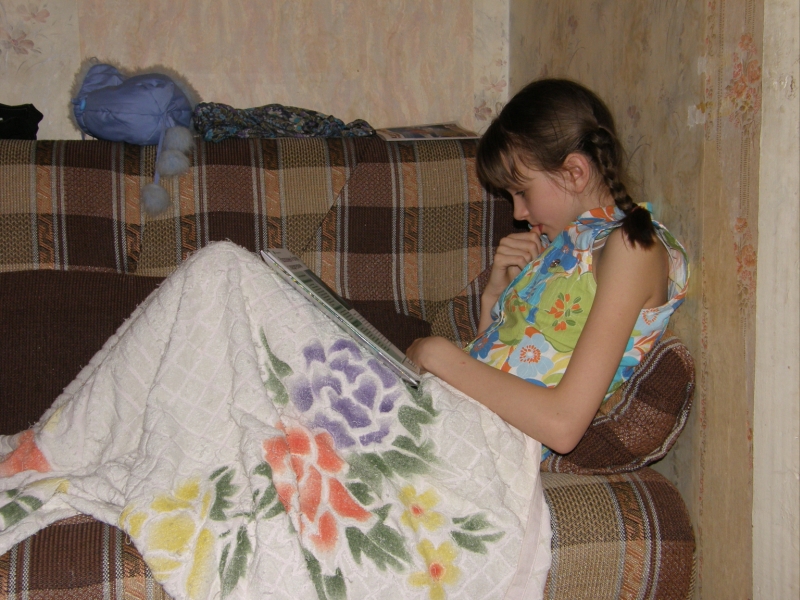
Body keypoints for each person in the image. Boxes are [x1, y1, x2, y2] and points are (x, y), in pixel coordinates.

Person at [406, 78, 688, 456]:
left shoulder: (631, 247)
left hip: (481, 448)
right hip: (459, 421)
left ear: (574, 172)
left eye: (522, 192)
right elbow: (500, 369)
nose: (519, 213)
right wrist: (494, 297)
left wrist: (437, 356)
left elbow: (562, 424)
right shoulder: (569, 241)